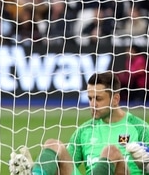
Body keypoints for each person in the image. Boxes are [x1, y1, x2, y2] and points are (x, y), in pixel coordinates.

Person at [9, 72, 149, 175]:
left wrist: (145, 166)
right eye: (89, 98)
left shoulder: (140, 128)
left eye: (98, 99)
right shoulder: (84, 131)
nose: (92, 104)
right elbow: (62, 167)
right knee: (53, 145)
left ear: (115, 99)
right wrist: (39, 167)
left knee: (111, 151)